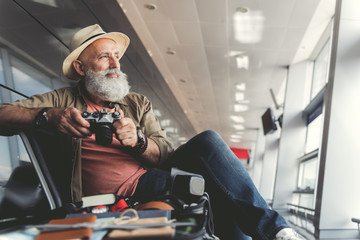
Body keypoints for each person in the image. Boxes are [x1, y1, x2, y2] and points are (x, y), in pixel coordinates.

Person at [0, 24, 305, 240]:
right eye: (105, 57)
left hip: (148, 179)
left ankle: (277, 232)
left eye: (116, 56)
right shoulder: (62, 100)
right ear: (81, 68)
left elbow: (164, 152)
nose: (115, 63)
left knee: (209, 145)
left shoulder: (136, 102)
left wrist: (139, 141)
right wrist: (46, 116)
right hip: (102, 196)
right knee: (205, 188)